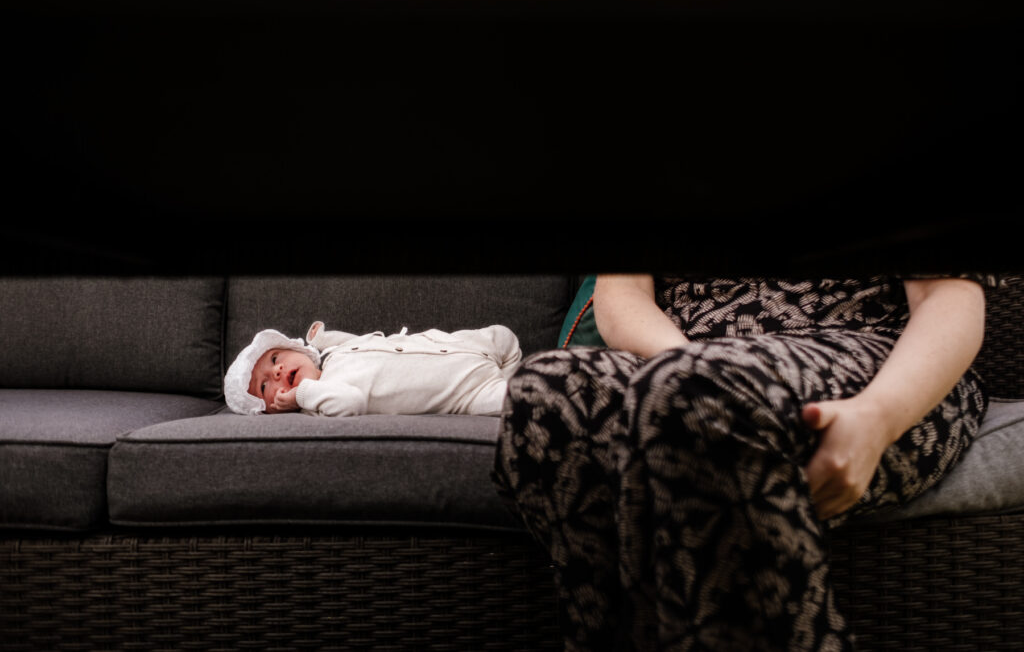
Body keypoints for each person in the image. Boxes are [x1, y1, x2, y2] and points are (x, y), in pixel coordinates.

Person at [492, 273, 995, 651]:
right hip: (686, 352)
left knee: (695, 391)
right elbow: (622, 299)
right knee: (546, 393)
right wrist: (687, 366)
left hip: (873, 355)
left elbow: (948, 297)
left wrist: (879, 416)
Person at [224, 321, 521, 417]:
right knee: (520, 400)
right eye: (264, 387)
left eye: (275, 359)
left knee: (504, 335)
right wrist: (302, 394)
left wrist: (323, 339)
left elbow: (355, 341)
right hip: (464, 393)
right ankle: (517, 385)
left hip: (453, 344)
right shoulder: (319, 400)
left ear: (295, 348)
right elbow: (353, 402)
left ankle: (509, 374)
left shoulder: (333, 355)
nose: (276, 372)